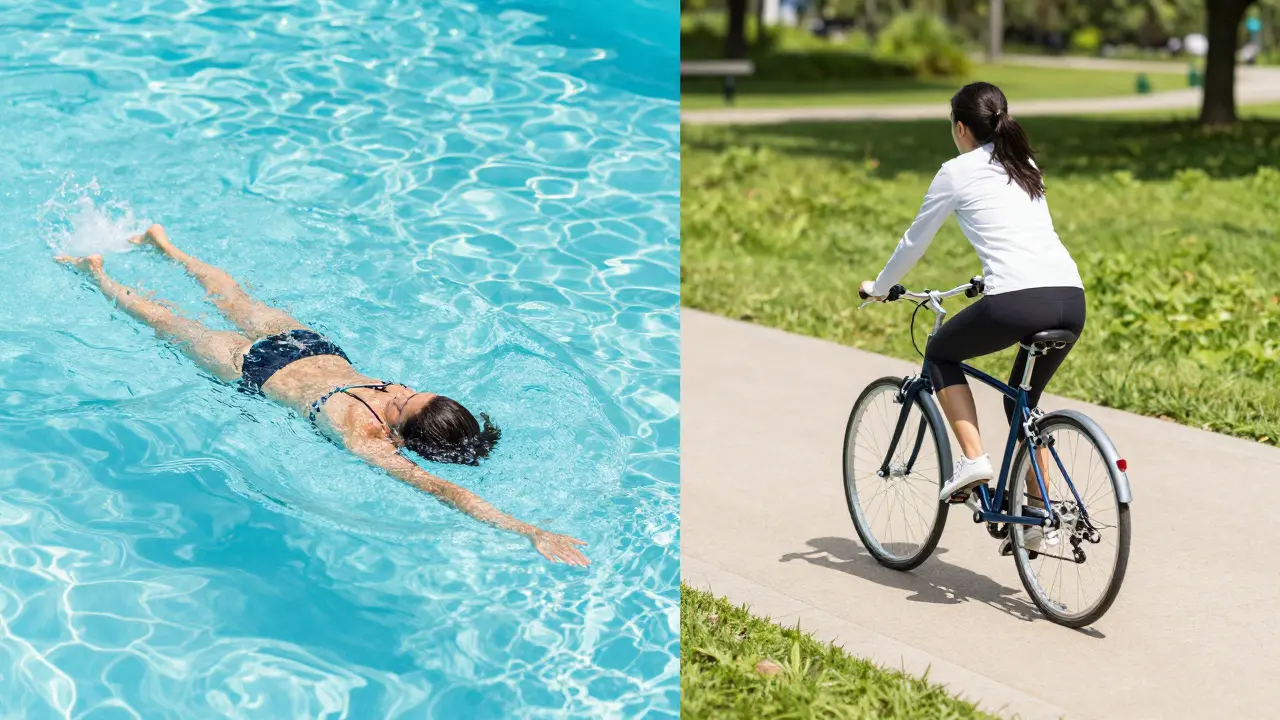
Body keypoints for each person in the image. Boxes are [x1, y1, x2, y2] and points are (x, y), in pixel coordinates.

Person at [57, 225, 589, 566]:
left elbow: (444, 491)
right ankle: (146, 254)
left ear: (400, 436)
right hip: (293, 353)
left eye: (401, 402)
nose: (400, 390)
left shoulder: (372, 441)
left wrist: (528, 531)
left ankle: (117, 265)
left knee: (187, 316)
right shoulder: (388, 425)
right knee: (203, 306)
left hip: (271, 360)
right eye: (410, 390)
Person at [859, 82, 1086, 554]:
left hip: (1017, 300)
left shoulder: (956, 171)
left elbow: (913, 242)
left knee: (941, 353)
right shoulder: (1025, 164)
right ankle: (1037, 513)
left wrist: (879, 288)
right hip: (1070, 297)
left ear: (961, 128)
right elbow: (1023, 235)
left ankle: (973, 460)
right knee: (1022, 404)